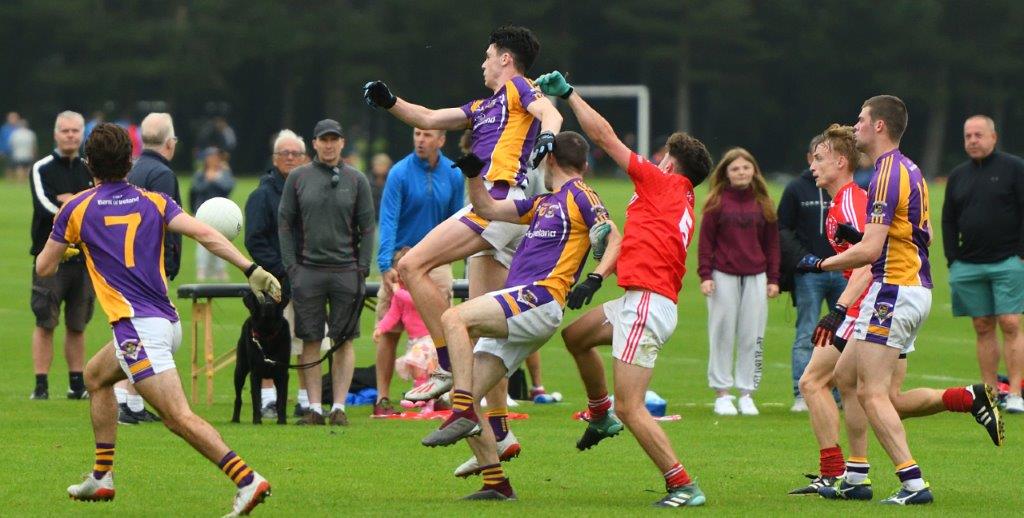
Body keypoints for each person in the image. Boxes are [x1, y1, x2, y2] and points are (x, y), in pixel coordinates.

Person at [39, 123, 279, 515]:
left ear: (88, 164)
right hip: (166, 324)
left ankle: (247, 479)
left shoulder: (76, 208)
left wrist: (70, 248)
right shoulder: (154, 200)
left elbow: (45, 267)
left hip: (137, 331)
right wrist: (249, 267)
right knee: (97, 377)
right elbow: (205, 233)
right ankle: (101, 478)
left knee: (177, 418)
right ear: (129, 162)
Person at [363, 25, 562, 467]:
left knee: (412, 265)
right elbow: (430, 118)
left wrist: (547, 135)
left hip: (496, 200)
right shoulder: (484, 105)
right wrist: (390, 101)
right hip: (495, 211)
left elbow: (551, 114)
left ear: (506, 60)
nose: (483, 63)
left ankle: (444, 366)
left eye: (488, 55)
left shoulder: (520, 88)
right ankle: (499, 435)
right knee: (478, 325)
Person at [790, 124, 1002, 498]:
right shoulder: (892, 176)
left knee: (837, 386)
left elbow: (869, 261)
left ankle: (902, 480)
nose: (812, 166)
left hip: (882, 300)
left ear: (841, 161)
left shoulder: (863, 193)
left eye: (819, 158)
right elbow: (915, 235)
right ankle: (963, 400)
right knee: (872, 392)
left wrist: (837, 306)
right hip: (895, 296)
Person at [533, 70, 713, 507]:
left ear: (670, 163)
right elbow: (637, 243)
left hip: (646, 306)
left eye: (660, 154)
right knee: (576, 337)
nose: (653, 158)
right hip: (641, 299)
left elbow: (605, 136)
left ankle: (682, 484)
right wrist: (598, 277)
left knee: (632, 407)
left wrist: (570, 95)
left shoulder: (663, 184)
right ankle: (599, 415)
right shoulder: (675, 197)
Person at [423, 131, 619, 500]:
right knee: (464, 394)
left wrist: (595, 278)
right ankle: (496, 482)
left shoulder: (581, 193)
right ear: (586, 163)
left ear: (548, 158)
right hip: (528, 306)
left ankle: (463, 410)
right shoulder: (543, 202)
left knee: (454, 319)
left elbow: (613, 237)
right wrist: (472, 174)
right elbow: (488, 209)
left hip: (539, 298)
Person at [797, 95, 936, 504]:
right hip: (899, 286)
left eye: (860, 119)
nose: (854, 126)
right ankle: (856, 477)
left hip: (893, 289)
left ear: (879, 126)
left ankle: (914, 484)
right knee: (843, 376)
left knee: (875, 394)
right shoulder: (901, 168)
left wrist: (819, 264)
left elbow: (870, 252)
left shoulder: (886, 173)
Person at [279, 119, 375, 426]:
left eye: (334, 139)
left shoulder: (357, 180)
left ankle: (339, 407)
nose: (329, 144)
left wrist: (362, 267)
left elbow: (368, 227)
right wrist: (291, 266)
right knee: (309, 338)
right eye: (324, 139)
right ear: (315, 143)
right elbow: (284, 223)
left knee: (344, 339)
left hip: (347, 270)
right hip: (308, 270)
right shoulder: (297, 178)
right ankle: (315, 407)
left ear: (342, 143)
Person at [373, 128, 462, 416]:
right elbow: (388, 219)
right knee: (390, 331)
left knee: (444, 328)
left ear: (441, 140)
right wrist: (386, 264)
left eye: (427, 135)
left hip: (437, 261)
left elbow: (455, 220)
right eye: (416, 133)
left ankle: (441, 391)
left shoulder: (453, 173)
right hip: (401, 258)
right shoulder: (399, 173)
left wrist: (450, 257)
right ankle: (383, 397)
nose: (420, 140)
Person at [943, 115, 1024, 413]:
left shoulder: (1014, 168)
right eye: (968, 136)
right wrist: (953, 257)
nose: (973, 140)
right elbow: (949, 219)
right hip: (969, 264)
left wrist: (1021, 254)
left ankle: (1015, 393)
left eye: (979, 135)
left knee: (1011, 322)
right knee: (982, 325)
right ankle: (990, 394)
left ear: (993, 137)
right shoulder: (958, 175)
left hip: (1008, 261)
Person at [698, 148, 780, 416]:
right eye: (735, 169)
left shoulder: (764, 203)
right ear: (726, 173)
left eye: (746, 168)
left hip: (756, 276)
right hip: (723, 276)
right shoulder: (716, 203)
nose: (741, 172)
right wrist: (705, 276)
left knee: (753, 336)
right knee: (721, 333)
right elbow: (705, 243)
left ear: (754, 170)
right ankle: (722, 393)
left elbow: (772, 245)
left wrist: (773, 279)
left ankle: (747, 393)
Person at [245, 129, 321, 419]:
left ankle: (304, 399)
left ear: (304, 158)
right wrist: (282, 270)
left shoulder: (310, 190)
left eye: (296, 154)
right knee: (270, 341)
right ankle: (267, 399)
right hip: (274, 284)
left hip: (309, 280)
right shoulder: (262, 195)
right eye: (284, 153)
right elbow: (255, 240)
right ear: (275, 158)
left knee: (309, 339)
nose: (290, 158)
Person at [121, 112, 183, 424]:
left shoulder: (131, 168)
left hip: (125, 265)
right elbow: (166, 222)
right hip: (150, 269)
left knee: (132, 331)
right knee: (145, 334)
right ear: (170, 142)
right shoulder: (162, 174)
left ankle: (130, 403)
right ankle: (126, 400)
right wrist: (170, 263)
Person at [28, 110, 95, 401]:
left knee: (77, 325)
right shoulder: (41, 168)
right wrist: (75, 207)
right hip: (50, 259)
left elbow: (97, 204)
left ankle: (76, 384)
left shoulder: (89, 167)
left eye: (75, 131)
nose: (70, 135)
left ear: (82, 134)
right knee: (45, 322)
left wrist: (68, 201)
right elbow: (45, 206)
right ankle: (41, 385)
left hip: (84, 259)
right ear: (55, 133)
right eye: (65, 130)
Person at [777, 141, 845, 412]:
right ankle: (801, 392)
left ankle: (841, 394)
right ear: (809, 157)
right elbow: (783, 228)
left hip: (843, 270)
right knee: (807, 332)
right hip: (810, 273)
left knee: (845, 333)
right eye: (817, 156)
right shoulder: (796, 188)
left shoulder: (845, 189)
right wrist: (803, 259)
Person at [190, 146, 236, 281]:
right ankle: (202, 270)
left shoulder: (224, 173)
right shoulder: (200, 174)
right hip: (203, 214)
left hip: (221, 214)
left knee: (221, 241)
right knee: (202, 242)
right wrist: (208, 180)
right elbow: (196, 189)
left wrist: (215, 179)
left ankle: (220, 271)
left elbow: (228, 187)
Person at [368, 152, 392, 219]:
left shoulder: (392, 181)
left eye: (382, 165)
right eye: (377, 164)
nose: (379, 167)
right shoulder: (367, 181)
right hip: (371, 218)